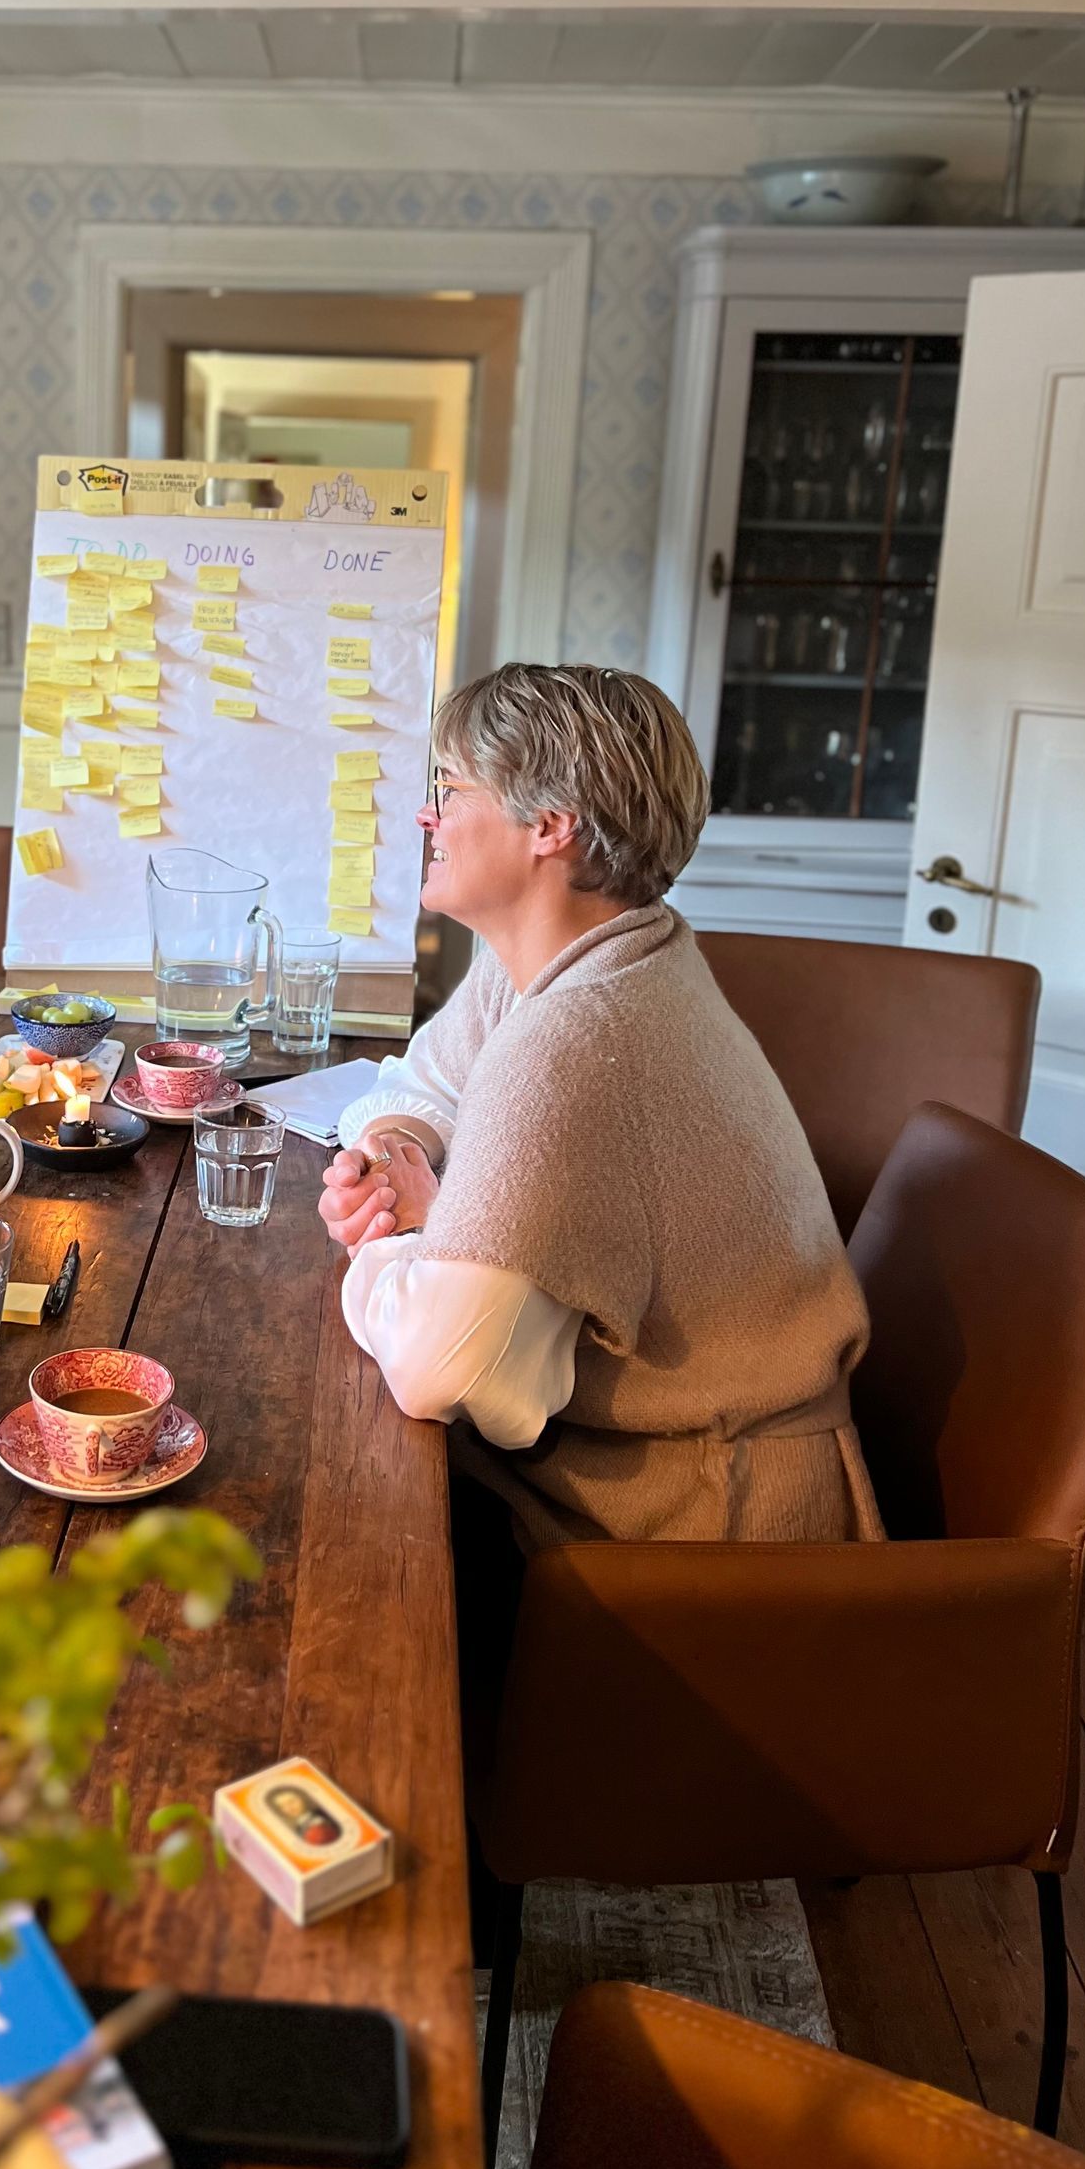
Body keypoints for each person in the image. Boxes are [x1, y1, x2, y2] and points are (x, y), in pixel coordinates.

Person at [318, 662, 881, 1550]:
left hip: (702, 1534)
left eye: (451, 791)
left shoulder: (577, 1037)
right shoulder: (591, 957)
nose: (428, 816)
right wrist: (390, 1156)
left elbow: (445, 1371)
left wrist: (398, 1237)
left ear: (550, 825)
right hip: (654, 1478)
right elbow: (424, 1080)